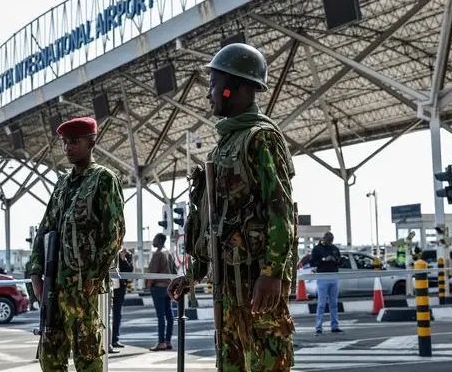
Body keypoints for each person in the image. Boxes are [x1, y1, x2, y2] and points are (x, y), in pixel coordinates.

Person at [168, 42, 298, 371]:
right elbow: (214, 222)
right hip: (229, 287)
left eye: (215, 84)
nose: (210, 92)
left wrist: (272, 275)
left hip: (256, 286)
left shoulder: (260, 137)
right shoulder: (224, 146)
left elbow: (280, 210)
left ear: (235, 87)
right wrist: (194, 273)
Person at [29, 116, 126, 372]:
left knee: (88, 358)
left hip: (83, 286)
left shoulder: (104, 179)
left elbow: (114, 233)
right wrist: (36, 272)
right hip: (55, 285)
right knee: (49, 357)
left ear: (92, 142)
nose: (68, 148)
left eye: (74, 141)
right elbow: (45, 228)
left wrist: (94, 276)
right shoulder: (62, 184)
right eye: (65, 142)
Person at [309, 232, 343, 336]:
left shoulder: (334, 248)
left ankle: (335, 326)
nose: (329, 243)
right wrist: (324, 260)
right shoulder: (317, 249)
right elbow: (313, 263)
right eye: (328, 241)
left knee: (334, 303)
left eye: (331, 241)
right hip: (322, 276)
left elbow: (340, 262)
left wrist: (336, 260)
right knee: (321, 304)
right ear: (324, 239)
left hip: (334, 275)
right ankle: (318, 327)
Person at [147, 233, 175, 351]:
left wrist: (149, 285)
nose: (153, 241)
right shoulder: (168, 253)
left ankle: (161, 342)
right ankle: (168, 341)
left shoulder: (158, 253)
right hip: (168, 287)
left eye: (154, 239)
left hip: (158, 287)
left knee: (161, 316)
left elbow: (152, 272)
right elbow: (174, 269)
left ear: (159, 241)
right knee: (169, 315)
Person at [111, 246, 133, 349]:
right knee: (107, 314)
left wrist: (123, 258)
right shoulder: (110, 250)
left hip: (119, 289)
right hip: (109, 286)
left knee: (117, 314)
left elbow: (129, 270)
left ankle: (114, 339)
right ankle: (107, 340)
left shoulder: (127, 254)